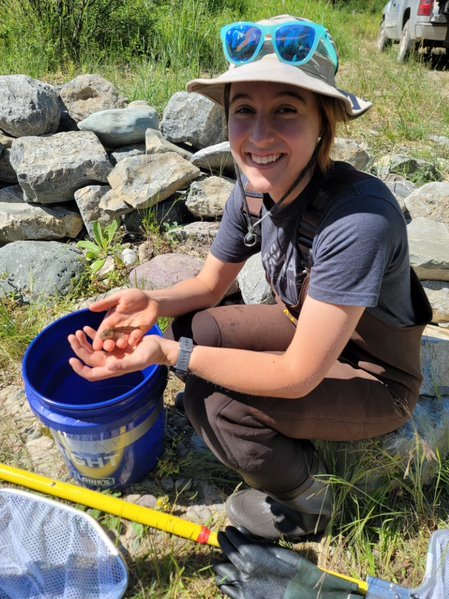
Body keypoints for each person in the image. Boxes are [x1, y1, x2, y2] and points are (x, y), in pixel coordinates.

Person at [68, 15, 432, 542]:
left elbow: (300, 373)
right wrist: (154, 299)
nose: (259, 135)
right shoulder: (255, 190)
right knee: (201, 330)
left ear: (325, 122)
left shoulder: (359, 219)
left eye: (286, 109)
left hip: (376, 376)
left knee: (216, 403)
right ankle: (290, 436)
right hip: (311, 328)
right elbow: (211, 285)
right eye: (244, 111)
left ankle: (311, 503)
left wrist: (169, 356)